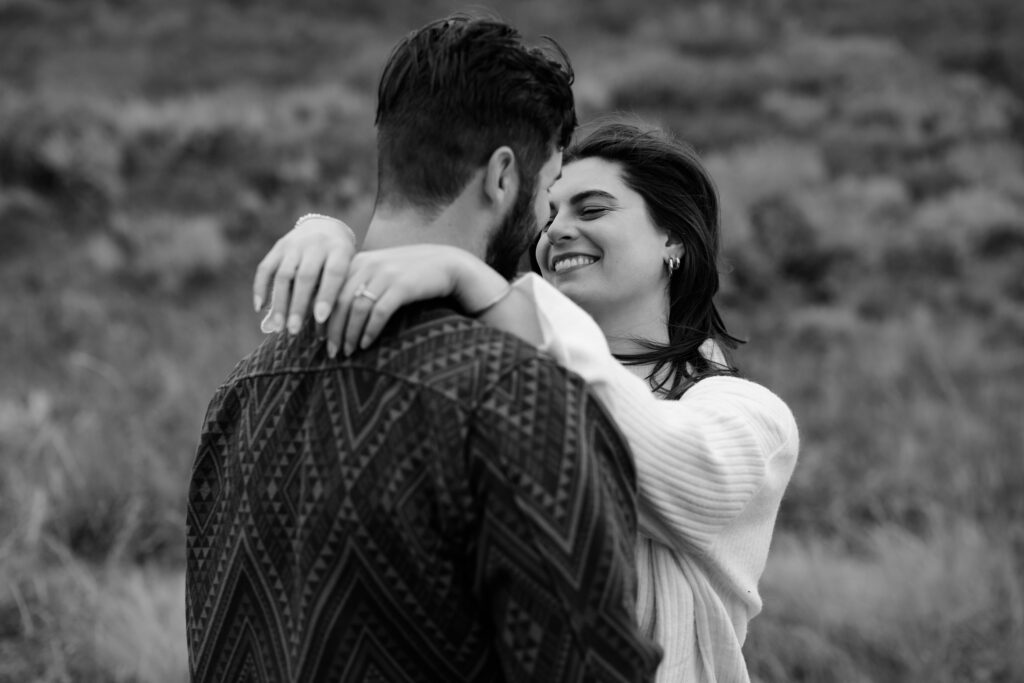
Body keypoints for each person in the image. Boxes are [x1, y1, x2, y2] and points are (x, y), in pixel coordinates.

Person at [187, 17, 662, 683]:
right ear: (502, 176)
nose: (548, 226)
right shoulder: (516, 395)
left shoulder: (238, 396)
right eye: (548, 191)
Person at [258, 121, 800, 683]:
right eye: (550, 211)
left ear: (674, 239)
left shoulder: (748, 415)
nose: (558, 230)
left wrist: (479, 283)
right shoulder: (506, 353)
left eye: (591, 211)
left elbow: (671, 467)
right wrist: (326, 237)